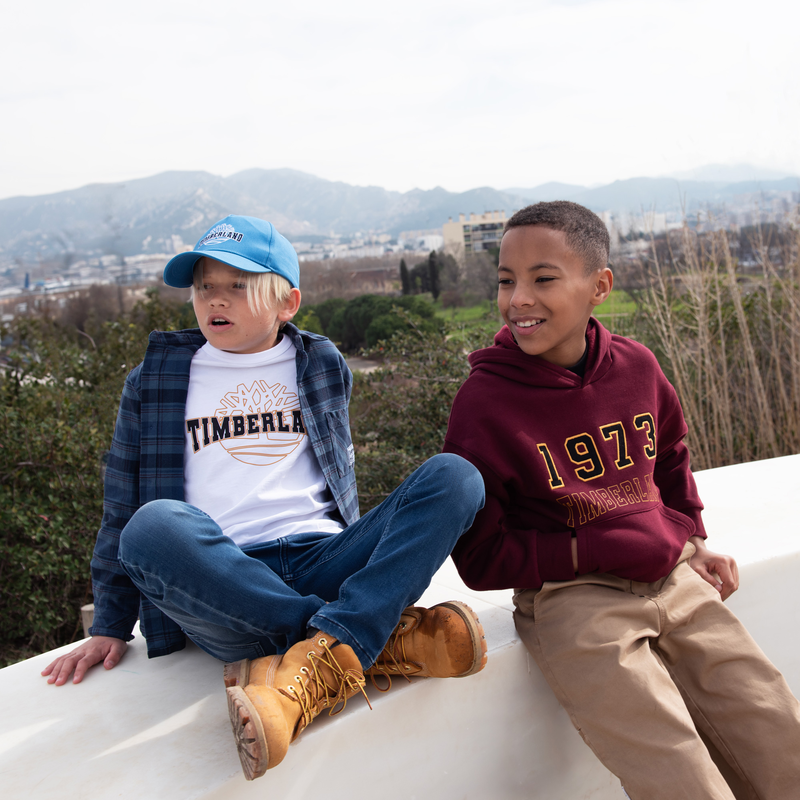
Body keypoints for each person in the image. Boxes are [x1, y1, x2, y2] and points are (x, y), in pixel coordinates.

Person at [42, 214, 488, 780]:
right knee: (152, 526)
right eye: (203, 286)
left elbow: (337, 477)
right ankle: (357, 640)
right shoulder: (153, 380)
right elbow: (120, 505)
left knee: (456, 476)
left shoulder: (321, 363)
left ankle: (325, 648)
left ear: (287, 303)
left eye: (238, 285)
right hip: (226, 585)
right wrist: (109, 623)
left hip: (325, 558)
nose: (214, 300)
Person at [442, 201, 800, 799]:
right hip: (576, 605)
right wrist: (591, 549)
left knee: (776, 729)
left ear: (599, 286)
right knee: (677, 771)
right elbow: (481, 558)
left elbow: (672, 456)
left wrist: (691, 538)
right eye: (506, 281)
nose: (518, 299)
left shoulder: (636, 365)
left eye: (543, 278)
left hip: (675, 581)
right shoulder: (485, 403)